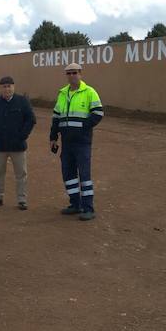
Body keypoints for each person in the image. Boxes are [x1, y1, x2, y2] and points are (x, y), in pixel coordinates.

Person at [50, 62, 103, 221]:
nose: (72, 76)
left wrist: (82, 127)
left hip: (82, 142)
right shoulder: (62, 93)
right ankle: (75, 204)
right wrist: (53, 137)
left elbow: (98, 113)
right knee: (69, 174)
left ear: (80, 73)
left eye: (74, 73)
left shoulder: (89, 92)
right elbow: (56, 118)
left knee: (84, 175)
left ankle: (88, 208)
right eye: (69, 73)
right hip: (67, 143)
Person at [0, 75, 36, 210]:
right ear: (1, 88)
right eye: (4, 86)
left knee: (21, 174)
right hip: (0, 145)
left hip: (17, 145)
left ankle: (22, 200)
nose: (7, 89)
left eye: (9, 86)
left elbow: (30, 119)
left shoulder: (22, 102)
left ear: (14, 87)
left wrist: (23, 135)